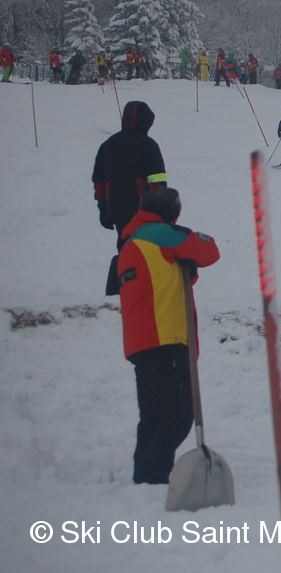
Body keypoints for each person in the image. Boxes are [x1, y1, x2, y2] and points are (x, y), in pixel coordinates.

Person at [116, 186, 220, 484]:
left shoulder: (133, 241)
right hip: (165, 337)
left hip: (141, 341)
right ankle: (153, 476)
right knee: (177, 416)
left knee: (153, 417)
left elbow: (166, 278)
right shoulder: (160, 234)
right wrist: (186, 235)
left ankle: (144, 478)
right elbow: (208, 251)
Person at [93, 101, 169, 250]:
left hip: (117, 209)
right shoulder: (148, 145)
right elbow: (158, 181)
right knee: (146, 251)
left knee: (125, 250)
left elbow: (99, 182)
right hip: (143, 210)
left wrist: (103, 209)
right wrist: (162, 210)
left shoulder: (107, 145)